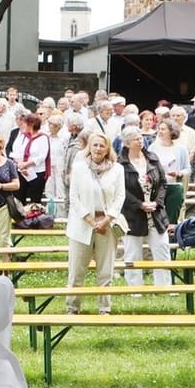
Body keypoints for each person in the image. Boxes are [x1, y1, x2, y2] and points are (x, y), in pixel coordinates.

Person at [63, 132, 125, 313]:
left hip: (107, 223)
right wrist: (90, 221)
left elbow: (120, 197)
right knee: (76, 271)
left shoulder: (117, 169)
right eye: (95, 145)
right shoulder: (79, 167)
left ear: (107, 149)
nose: (98, 149)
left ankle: (104, 308)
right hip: (82, 224)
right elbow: (74, 197)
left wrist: (107, 219)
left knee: (106, 271)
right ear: (89, 147)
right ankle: (72, 308)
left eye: (102, 146)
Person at [118, 136, 169, 286]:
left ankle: (164, 286)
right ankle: (134, 289)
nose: (140, 141)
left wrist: (157, 202)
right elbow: (120, 189)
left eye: (141, 138)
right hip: (132, 214)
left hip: (155, 213)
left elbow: (163, 183)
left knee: (162, 248)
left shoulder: (152, 158)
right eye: (135, 139)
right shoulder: (120, 163)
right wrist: (139, 204)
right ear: (127, 143)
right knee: (132, 252)